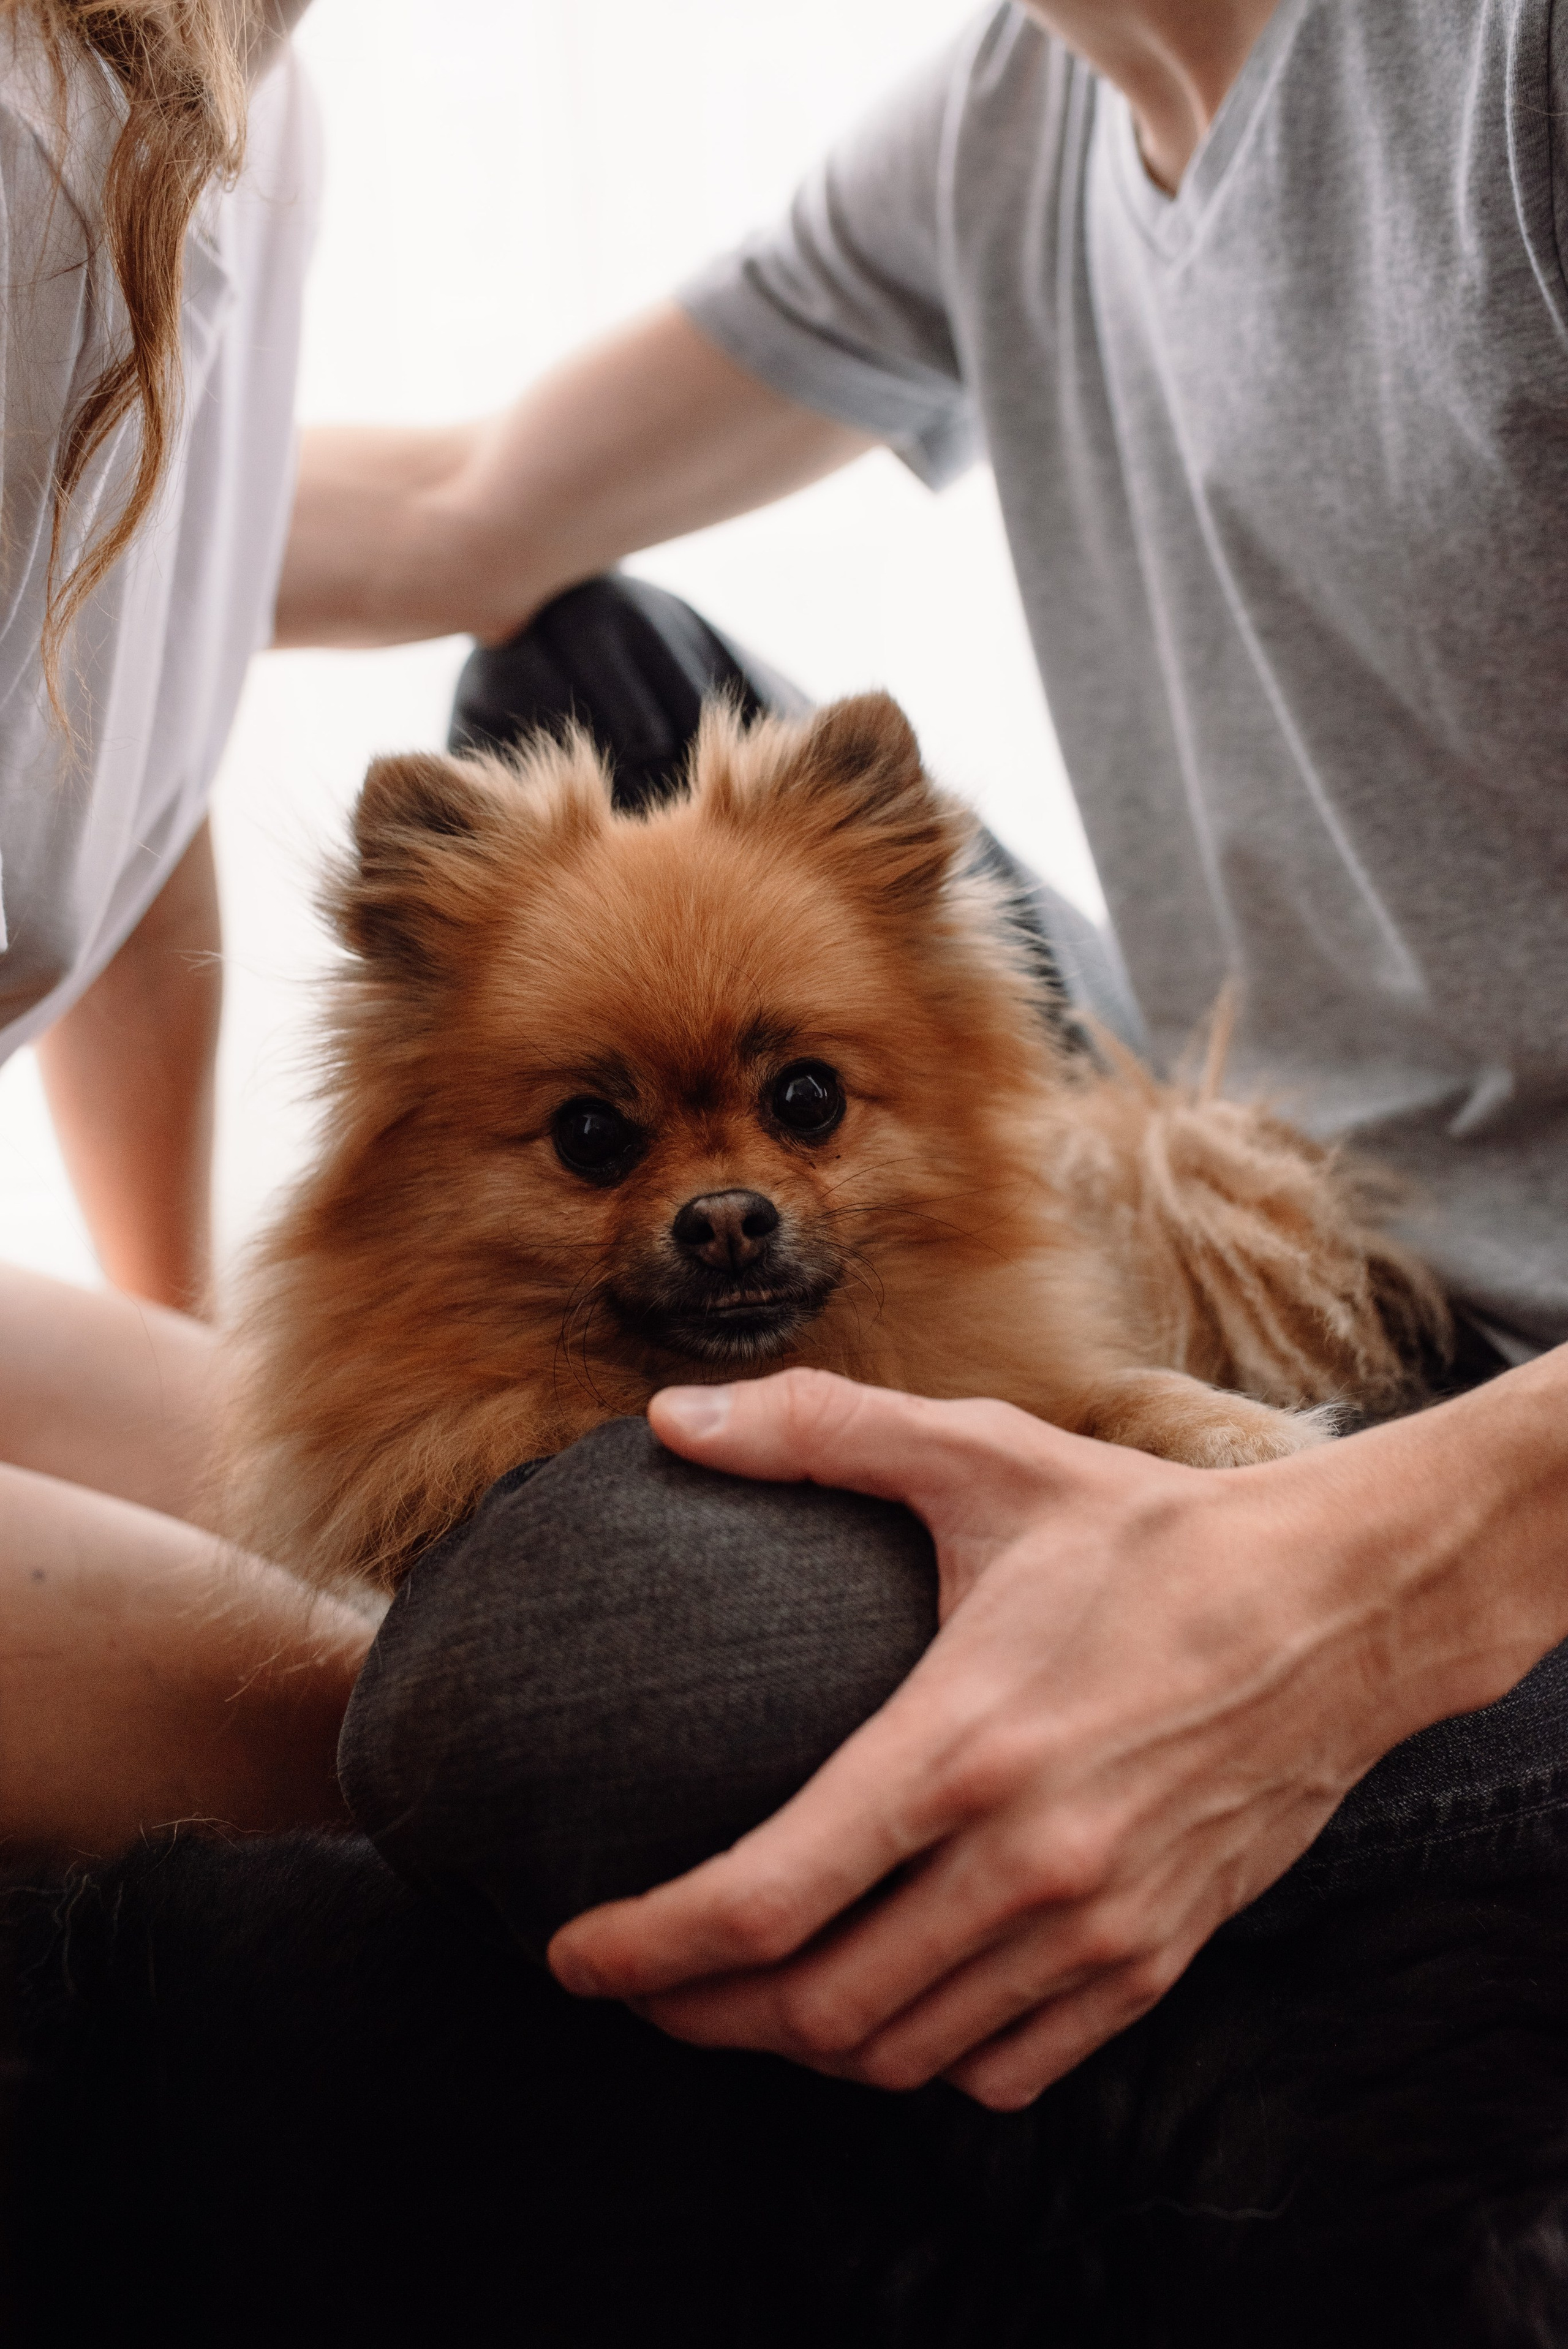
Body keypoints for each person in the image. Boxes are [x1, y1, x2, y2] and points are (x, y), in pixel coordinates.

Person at [4, 0, 1566, 2149]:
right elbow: (464, 507)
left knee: (581, 1671)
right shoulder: (1023, 111)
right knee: (565, 653)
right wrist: (58, 429)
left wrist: (1350, 1596)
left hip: (1525, 1363)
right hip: (1287, 1117)